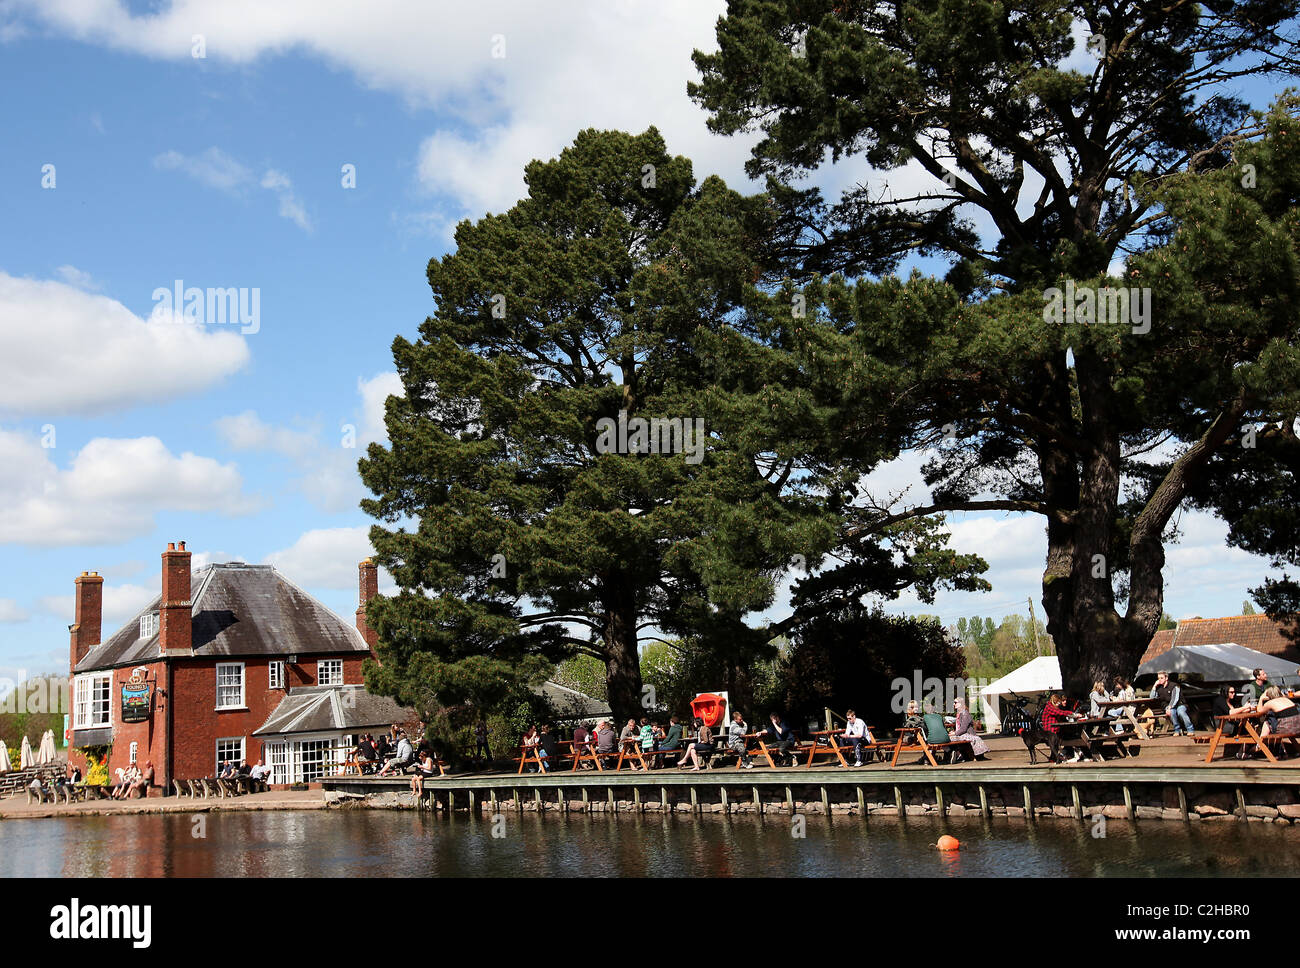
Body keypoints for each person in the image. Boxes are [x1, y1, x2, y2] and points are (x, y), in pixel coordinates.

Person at [1153, 671, 1194, 736]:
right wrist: (1154, 686)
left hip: (1180, 704)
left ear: (1166, 678)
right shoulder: (1159, 688)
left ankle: (1190, 729)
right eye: (1158, 678)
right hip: (1168, 706)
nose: (1160, 680)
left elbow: (1175, 698)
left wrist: (1169, 707)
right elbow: (1152, 697)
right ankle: (1177, 730)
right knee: (1172, 713)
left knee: (1181, 712)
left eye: (1161, 678)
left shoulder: (1174, 685)